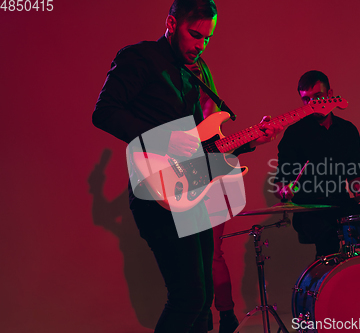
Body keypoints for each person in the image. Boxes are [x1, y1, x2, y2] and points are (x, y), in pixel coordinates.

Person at [92, 1, 281, 332]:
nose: (200, 45)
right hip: (155, 192)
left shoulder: (199, 71)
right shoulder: (139, 58)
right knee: (188, 298)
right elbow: (104, 111)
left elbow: (204, 143)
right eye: (195, 35)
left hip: (193, 189)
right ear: (171, 23)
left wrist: (252, 141)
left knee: (202, 297)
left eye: (207, 38)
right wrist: (164, 141)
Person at [273, 70, 360, 258]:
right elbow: (280, 183)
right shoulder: (294, 134)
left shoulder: (348, 130)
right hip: (308, 211)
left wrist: (358, 188)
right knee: (328, 238)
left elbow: (354, 175)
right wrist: (284, 191)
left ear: (330, 94)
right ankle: (324, 286)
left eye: (318, 96)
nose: (312, 104)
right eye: (306, 100)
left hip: (340, 205)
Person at [185, 58, 239, 333]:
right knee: (195, 256)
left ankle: (226, 315)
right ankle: (203, 316)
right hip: (187, 184)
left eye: (195, 72)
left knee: (213, 253)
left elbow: (222, 148)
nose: (191, 75)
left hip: (214, 181)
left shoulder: (212, 111)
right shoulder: (178, 108)